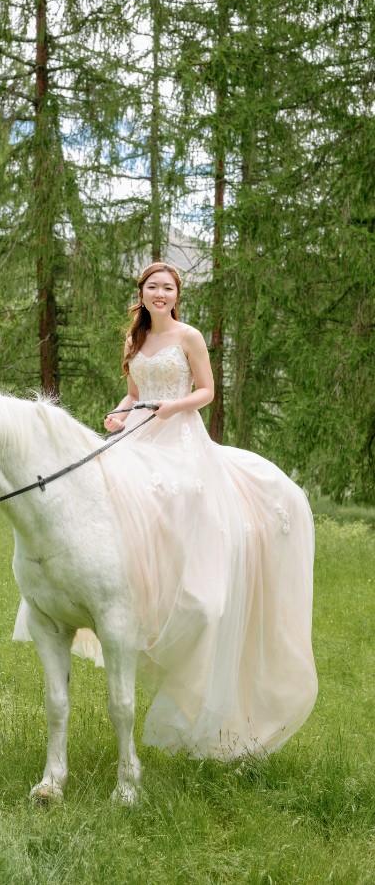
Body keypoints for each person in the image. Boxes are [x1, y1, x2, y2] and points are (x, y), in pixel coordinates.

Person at [89, 261, 316, 758]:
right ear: (142, 293)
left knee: (180, 494)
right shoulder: (135, 342)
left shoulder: (189, 336)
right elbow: (133, 393)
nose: (161, 294)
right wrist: (118, 413)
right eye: (153, 287)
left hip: (180, 433)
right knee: (114, 498)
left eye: (168, 288)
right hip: (139, 432)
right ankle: (138, 586)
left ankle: (186, 584)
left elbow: (207, 391)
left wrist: (173, 407)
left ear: (177, 293)